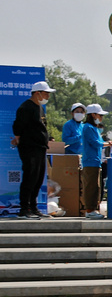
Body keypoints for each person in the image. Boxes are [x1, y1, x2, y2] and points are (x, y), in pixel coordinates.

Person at [10, 81, 55, 218]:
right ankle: (24, 209)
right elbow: (18, 125)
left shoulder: (39, 108)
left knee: (38, 177)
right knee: (30, 176)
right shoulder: (26, 107)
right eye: (46, 93)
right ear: (37, 93)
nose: (47, 96)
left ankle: (34, 207)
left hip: (40, 147)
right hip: (29, 147)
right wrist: (17, 138)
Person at [81, 104, 110, 219]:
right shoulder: (88, 127)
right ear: (93, 115)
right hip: (90, 161)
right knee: (91, 186)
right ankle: (89, 210)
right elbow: (95, 142)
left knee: (96, 187)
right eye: (100, 115)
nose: (101, 117)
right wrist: (108, 144)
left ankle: (93, 208)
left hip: (96, 161)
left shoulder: (94, 128)